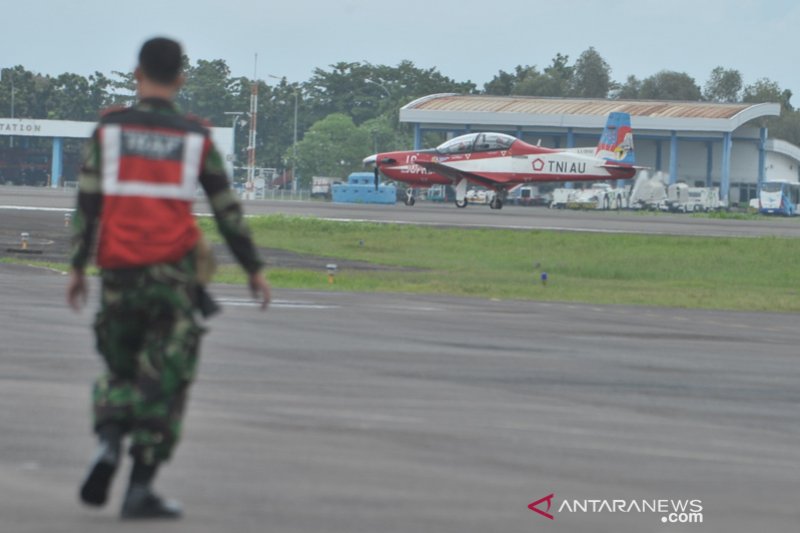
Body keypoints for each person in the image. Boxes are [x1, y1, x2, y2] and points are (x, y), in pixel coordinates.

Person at [66, 36, 270, 520]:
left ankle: (109, 443)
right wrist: (253, 269)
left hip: (118, 272)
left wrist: (77, 267)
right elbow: (226, 210)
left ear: (137, 73)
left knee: (120, 367)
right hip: (172, 278)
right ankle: (139, 485)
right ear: (180, 79)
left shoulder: (109, 131)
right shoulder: (193, 137)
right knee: (166, 377)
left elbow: (87, 204)